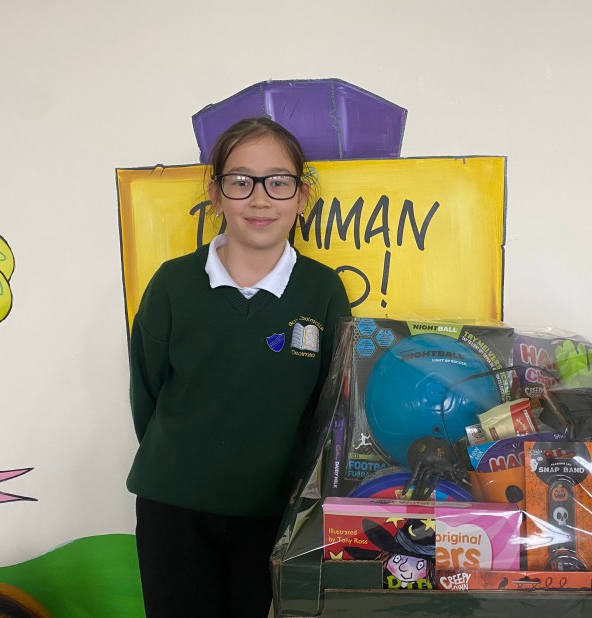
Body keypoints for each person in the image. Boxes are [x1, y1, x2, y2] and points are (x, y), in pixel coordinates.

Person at [126, 117, 351, 617]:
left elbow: (333, 406)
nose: (260, 198)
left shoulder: (322, 290)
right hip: (174, 509)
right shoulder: (173, 284)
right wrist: (187, 460)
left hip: (277, 514)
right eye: (241, 180)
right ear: (216, 192)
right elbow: (147, 391)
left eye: (278, 182)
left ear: (301, 195)